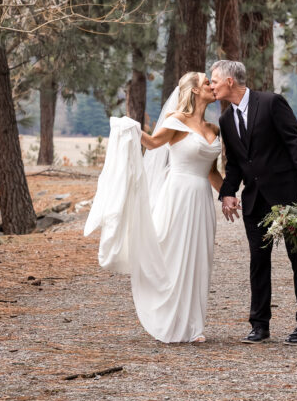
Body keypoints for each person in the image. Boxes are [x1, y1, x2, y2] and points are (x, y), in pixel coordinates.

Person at [83, 71, 222, 343]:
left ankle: (194, 325)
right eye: (207, 81)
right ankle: (168, 318)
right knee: (173, 254)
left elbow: (212, 172)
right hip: (178, 196)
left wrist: (231, 195)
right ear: (194, 90)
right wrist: (130, 128)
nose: (212, 85)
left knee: (198, 258)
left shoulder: (214, 129)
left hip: (202, 199)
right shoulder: (176, 122)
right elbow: (154, 143)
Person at [209, 60, 297, 345]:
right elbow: (234, 163)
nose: (211, 85)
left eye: (214, 80)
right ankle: (260, 325)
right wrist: (229, 192)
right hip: (255, 200)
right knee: (258, 261)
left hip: (288, 194)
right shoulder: (225, 120)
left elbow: (296, 142)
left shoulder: (271, 103)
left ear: (230, 81)